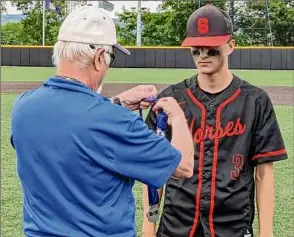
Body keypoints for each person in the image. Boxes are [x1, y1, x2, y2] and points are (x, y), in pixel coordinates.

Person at [10, 6, 195, 237]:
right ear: (99, 58)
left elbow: (72, 121)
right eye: (111, 58)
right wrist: (177, 117)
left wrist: (116, 102)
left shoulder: (22, 107)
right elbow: (183, 167)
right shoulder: (115, 122)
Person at [142, 4, 288, 237]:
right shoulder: (171, 100)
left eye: (211, 48)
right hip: (177, 225)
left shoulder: (255, 101)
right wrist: (148, 230)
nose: (202, 55)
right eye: (196, 49)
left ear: (230, 46)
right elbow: (153, 169)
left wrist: (267, 233)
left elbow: (264, 173)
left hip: (232, 226)